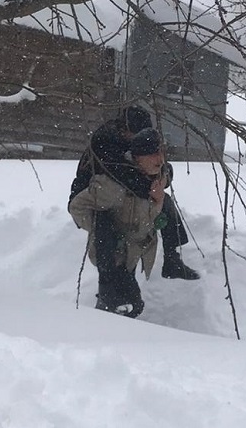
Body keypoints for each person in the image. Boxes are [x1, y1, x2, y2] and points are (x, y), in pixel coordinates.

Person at [68, 105, 199, 313]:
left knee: (162, 203)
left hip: (122, 200)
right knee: (106, 233)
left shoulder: (137, 145)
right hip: (89, 197)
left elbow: (160, 167)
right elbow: (124, 176)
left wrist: (161, 182)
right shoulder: (105, 141)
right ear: (125, 130)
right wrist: (151, 187)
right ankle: (108, 291)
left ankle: (171, 258)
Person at [68, 127, 168, 317]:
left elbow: (147, 219)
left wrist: (159, 201)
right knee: (124, 304)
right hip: (113, 257)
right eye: (153, 154)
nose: (160, 159)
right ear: (137, 157)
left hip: (134, 254)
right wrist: (103, 229)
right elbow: (77, 207)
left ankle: (107, 327)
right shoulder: (113, 186)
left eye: (161, 152)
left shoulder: (154, 182)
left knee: (123, 306)